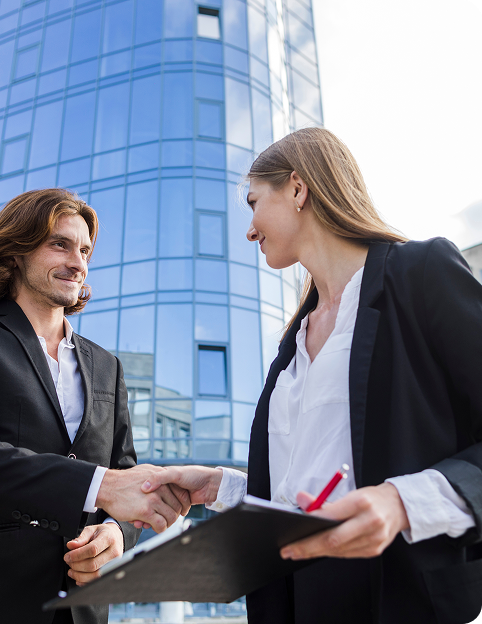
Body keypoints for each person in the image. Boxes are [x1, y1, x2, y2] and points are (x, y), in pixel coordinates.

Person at [142, 128, 482, 624]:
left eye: (255, 202)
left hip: (406, 598)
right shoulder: (293, 341)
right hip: (298, 602)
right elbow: (309, 483)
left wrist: (403, 502)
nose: (250, 229)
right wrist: (222, 486)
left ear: (298, 189)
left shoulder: (420, 273)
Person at [0, 189, 189, 624]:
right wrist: (99, 486)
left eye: (85, 250)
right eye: (60, 244)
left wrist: (115, 534)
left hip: (81, 609)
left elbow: (126, 479)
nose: (78, 263)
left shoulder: (107, 367)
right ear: (14, 250)